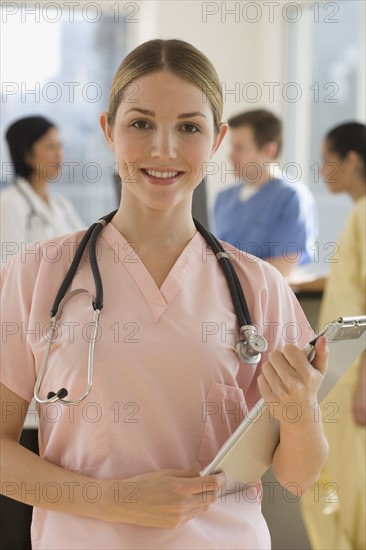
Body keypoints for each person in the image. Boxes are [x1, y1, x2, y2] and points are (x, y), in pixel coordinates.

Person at [0, 39, 329, 550]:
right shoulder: (35, 274)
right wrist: (111, 501)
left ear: (217, 139)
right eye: (141, 123)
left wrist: (302, 409)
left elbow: (297, 478)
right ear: (109, 130)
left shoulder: (260, 288)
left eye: (189, 128)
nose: (164, 149)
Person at [301, 122, 366, 550]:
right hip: (346, 372)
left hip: (354, 375)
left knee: (334, 483)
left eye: (328, 159)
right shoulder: (358, 214)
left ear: (352, 160)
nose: (322, 169)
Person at [213, 109, 318, 279]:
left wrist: (226, 278)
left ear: (269, 150)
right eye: (232, 146)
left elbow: (282, 269)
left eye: (240, 148)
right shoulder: (224, 198)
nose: (231, 155)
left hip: (265, 300)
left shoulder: (291, 197)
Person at [0, 115, 84, 266]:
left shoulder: (61, 204)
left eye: (60, 146)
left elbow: (88, 247)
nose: (59, 155)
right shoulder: (8, 205)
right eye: (50, 147)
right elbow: (7, 269)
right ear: (28, 155)